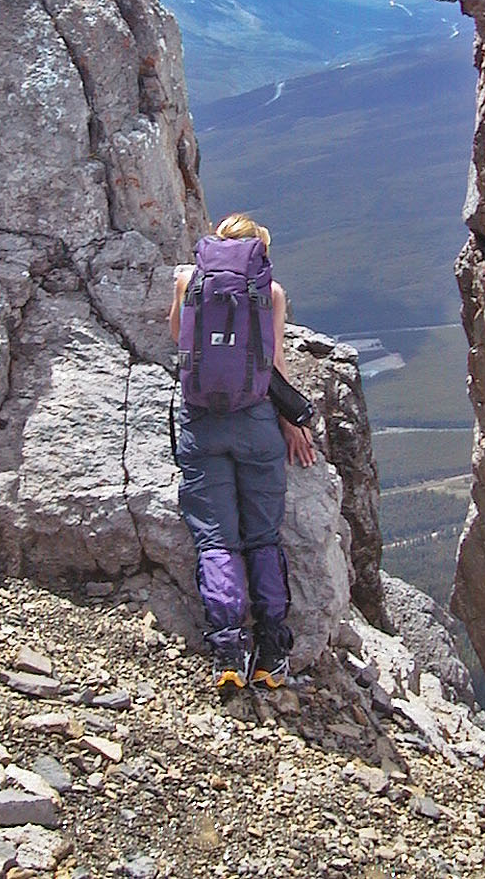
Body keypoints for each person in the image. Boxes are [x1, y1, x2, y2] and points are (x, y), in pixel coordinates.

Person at [169, 213, 316, 691]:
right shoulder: (269, 293)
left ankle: (229, 651)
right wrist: (290, 422)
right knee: (262, 538)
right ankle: (272, 653)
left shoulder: (190, 281)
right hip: (255, 425)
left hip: (201, 424)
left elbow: (179, 338)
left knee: (216, 539)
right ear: (258, 252)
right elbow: (271, 363)